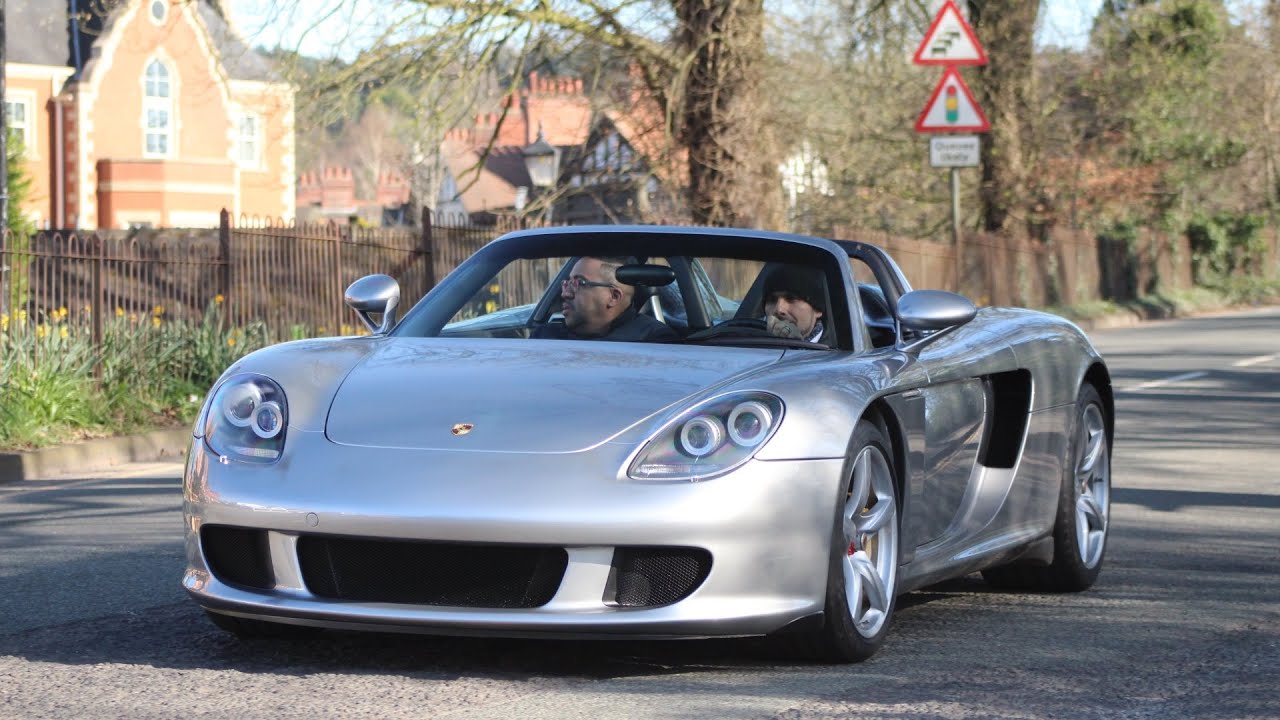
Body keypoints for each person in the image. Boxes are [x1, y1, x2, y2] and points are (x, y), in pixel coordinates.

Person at [533, 256, 679, 342]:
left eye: (579, 283)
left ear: (614, 297)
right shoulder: (545, 336)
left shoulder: (654, 341)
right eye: (567, 283)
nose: (565, 294)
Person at [761, 264, 829, 345]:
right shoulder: (752, 338)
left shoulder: (836, 348)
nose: (779, 309)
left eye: (791, 299)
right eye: (772, 300)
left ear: (817, 310)